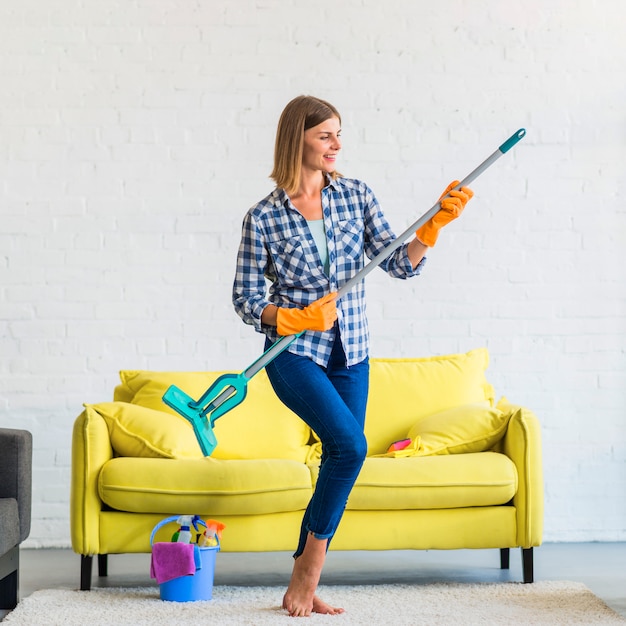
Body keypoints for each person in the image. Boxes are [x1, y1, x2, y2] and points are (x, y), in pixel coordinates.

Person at [232, 95, 473, 617]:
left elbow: (400, 265)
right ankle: (307, 573)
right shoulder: (263, 218)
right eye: (325, 135)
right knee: (352, 445)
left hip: (352, 352)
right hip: (293, 353)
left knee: (341, 457)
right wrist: (291, 317)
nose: (337, 144)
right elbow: (246, 299)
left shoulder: (356, 196)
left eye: (339, 134)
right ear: (296, 138)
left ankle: (303, 571)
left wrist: (432, 228)